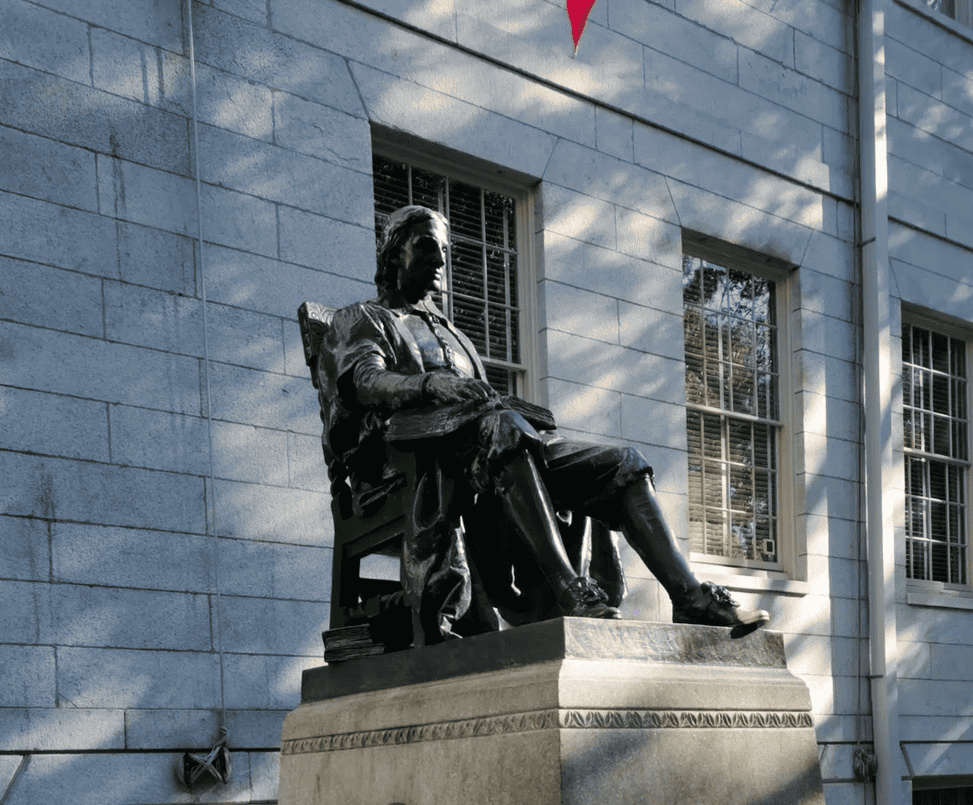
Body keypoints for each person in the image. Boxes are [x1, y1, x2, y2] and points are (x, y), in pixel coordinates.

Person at [316, 204, 765, 645]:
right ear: (393, 253)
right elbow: (367, 382)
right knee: (507, 429)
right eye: (426, 246)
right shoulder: (362, 318)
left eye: (445, 250)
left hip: (490, 446)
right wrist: (432, 385)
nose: (440, 260)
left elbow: (483, 404)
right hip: (412, 462)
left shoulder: (452, 333)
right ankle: (570, 591)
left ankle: (689, 597)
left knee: (623, 464)